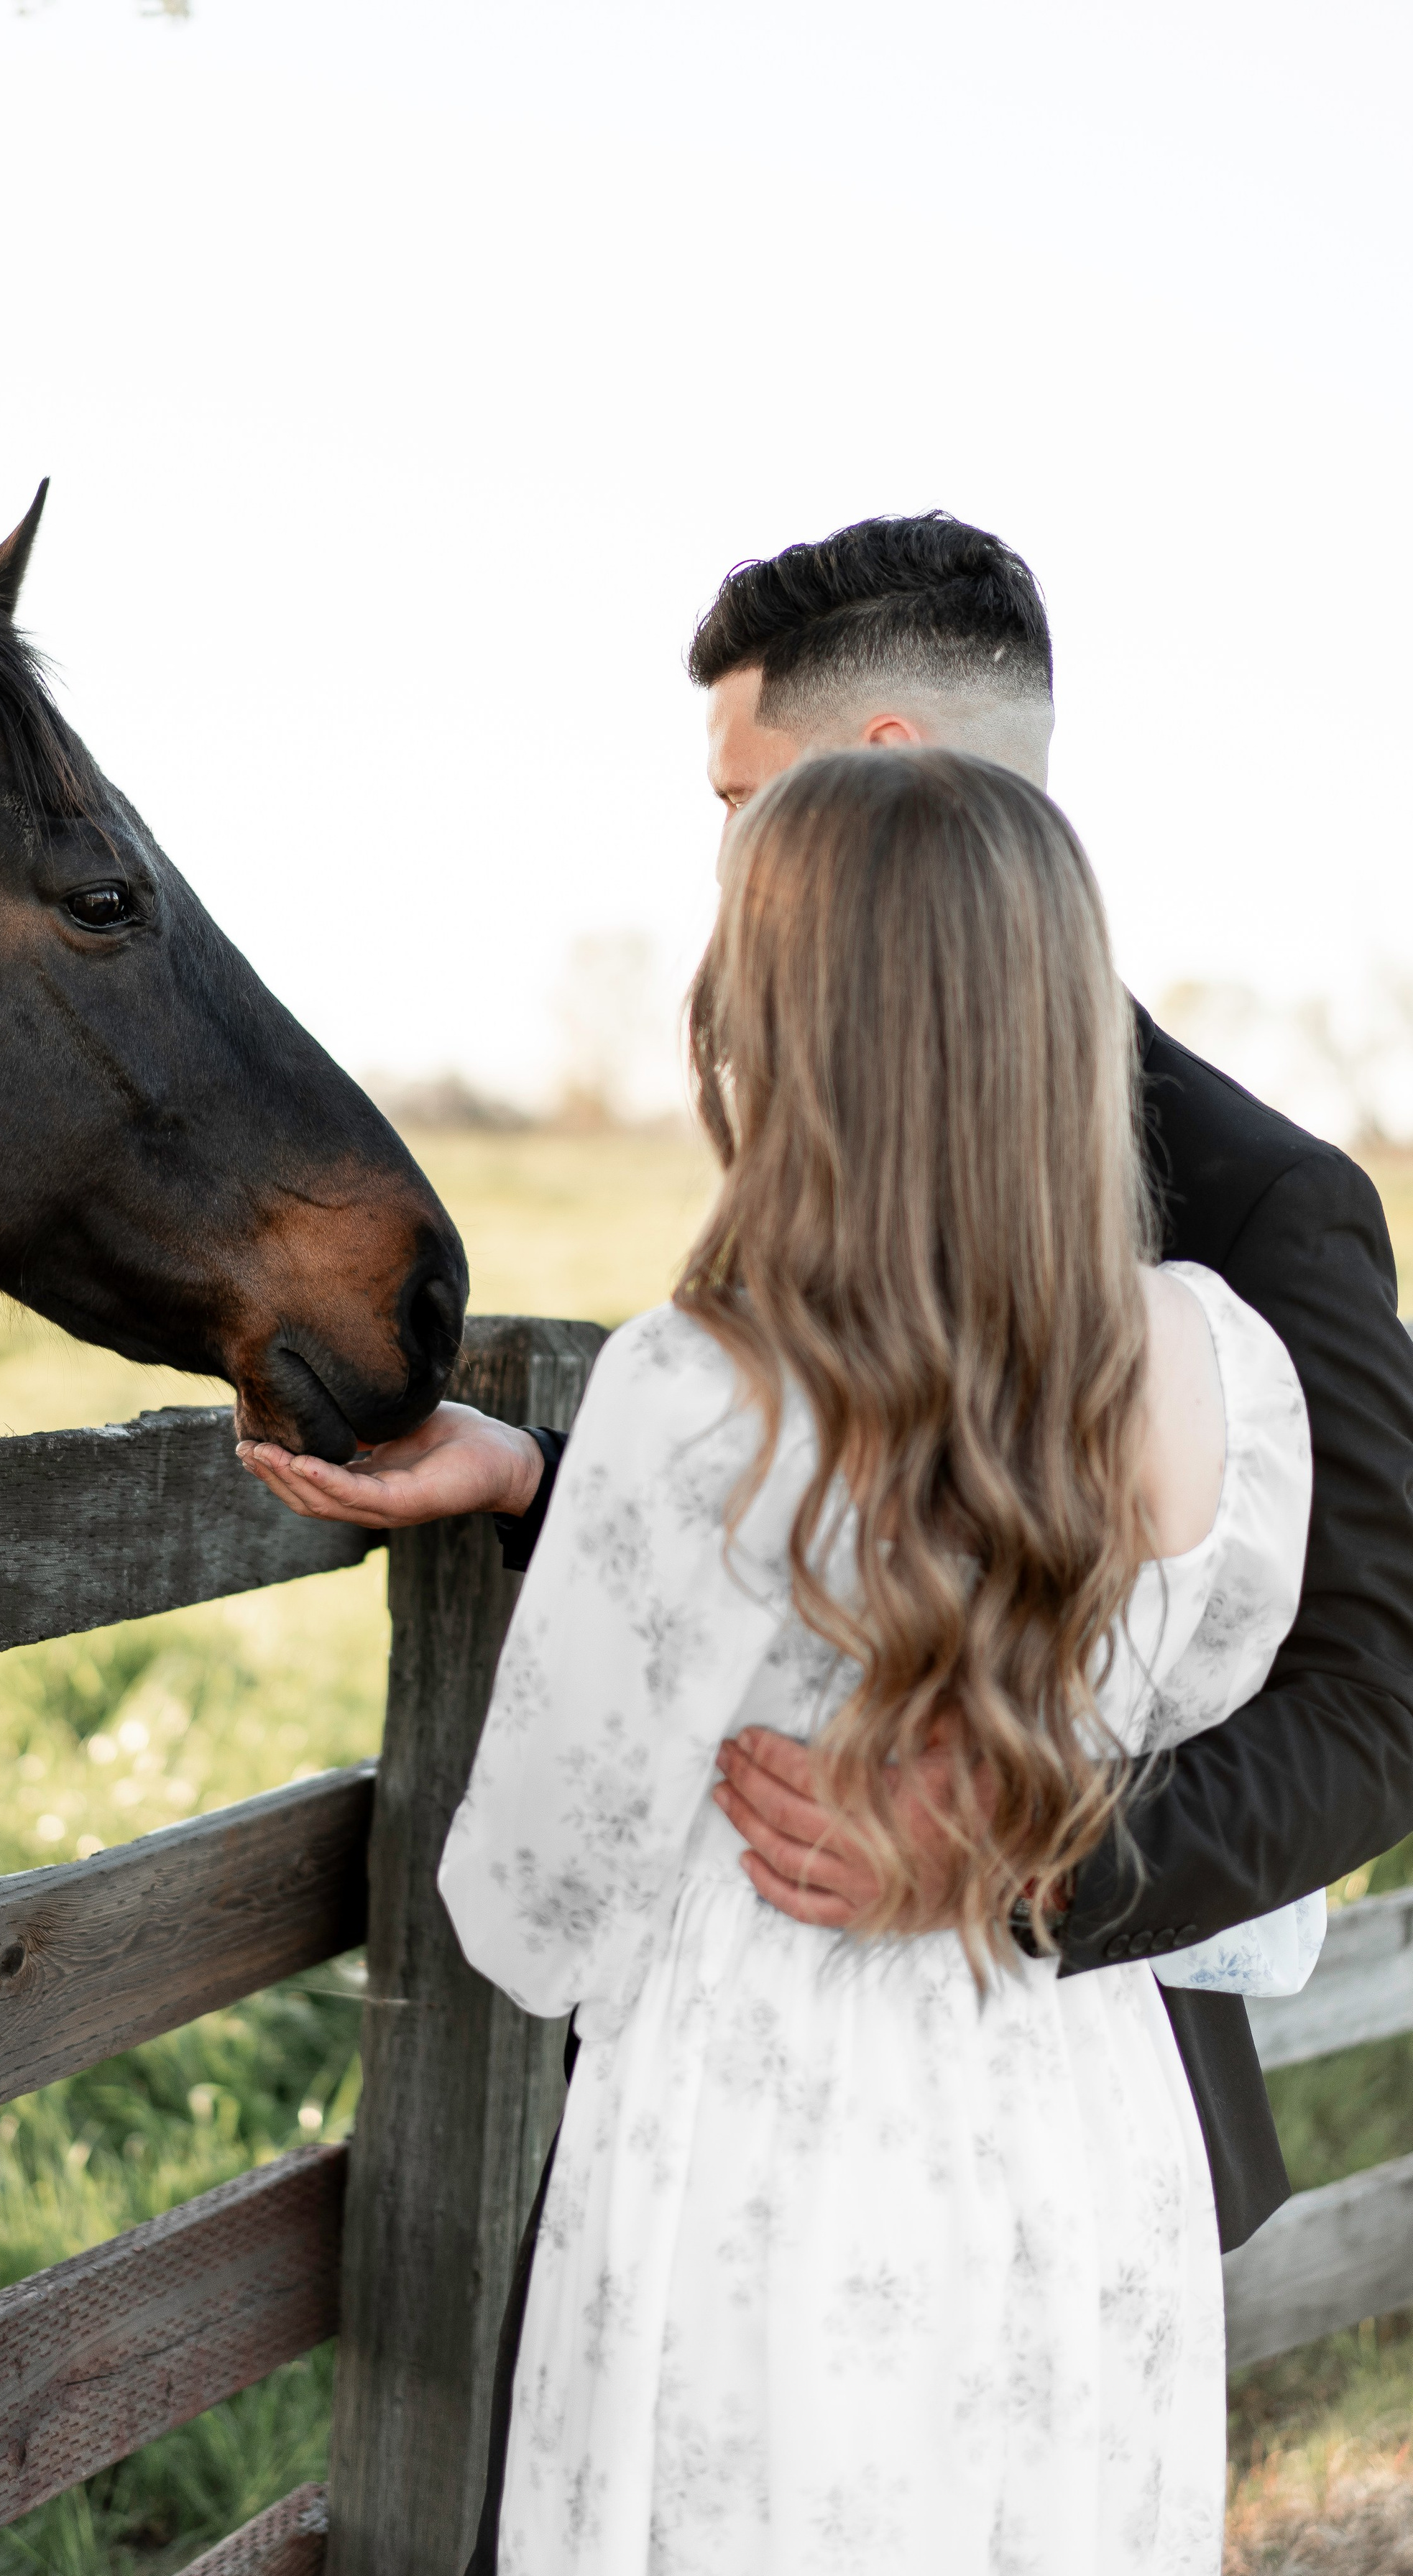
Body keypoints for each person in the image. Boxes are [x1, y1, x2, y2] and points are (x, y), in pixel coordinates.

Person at [234, 517, 1413, 2279]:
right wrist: (541, 1480)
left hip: (1075, 2115)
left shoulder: (1260, 1206)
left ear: (877, 777)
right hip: (756, 2140)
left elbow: (1377, 1699)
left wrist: (1018, 1862)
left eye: (735, 806)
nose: (721, 871)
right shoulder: (830, 1132)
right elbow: (831, 1508)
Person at [438, 746, 1311, 2571]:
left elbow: (529, 1904)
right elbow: (1222, 1693)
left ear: (778, 1023)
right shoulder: (1208, 1364)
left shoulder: (699, 1388)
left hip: (767, 2136)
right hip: (1078, 2115)